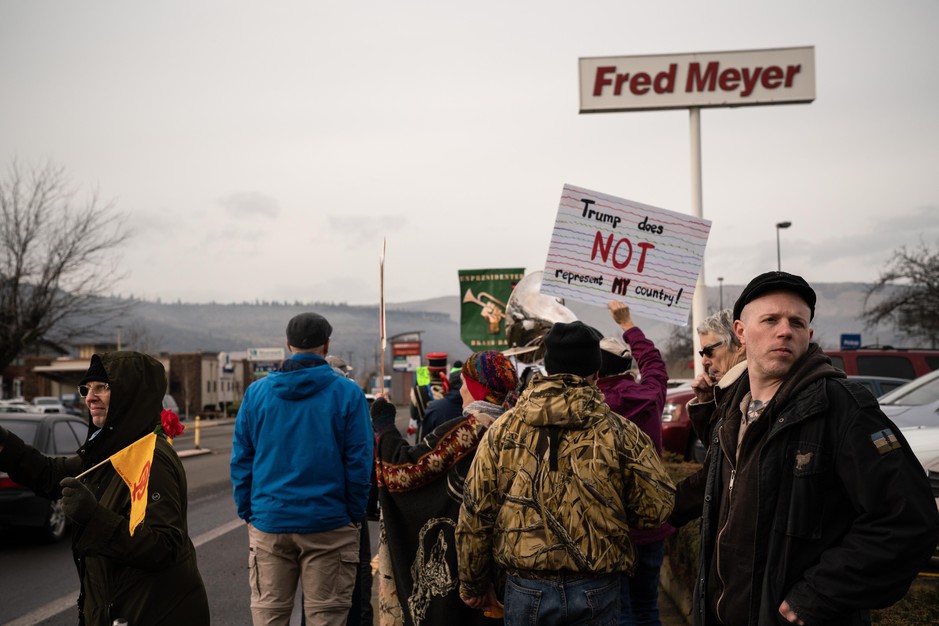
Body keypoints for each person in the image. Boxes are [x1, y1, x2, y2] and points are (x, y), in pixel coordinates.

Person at [693, 271, 939, 625]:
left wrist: (815, 597)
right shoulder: (732, 412)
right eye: (770, 319)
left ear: (808, 335)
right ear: (741, 333)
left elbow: (907, 521)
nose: (785, 330)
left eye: (796, 322)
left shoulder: (844, 408)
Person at [457, 321, 676, 625]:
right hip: (597, 587)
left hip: (526, 588)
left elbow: (475, 513)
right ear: (596, 374)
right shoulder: (620, 431)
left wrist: (473, 583)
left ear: (548, 368)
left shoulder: (503, 430)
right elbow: (656, 507)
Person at [0, 351, 210, 625]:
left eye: (103, 387)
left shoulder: (151, 457)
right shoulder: (111, 452)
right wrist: (5, 445)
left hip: (153, 613)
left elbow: (165, 546)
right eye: (86, 388)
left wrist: (94, 517)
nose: (89, 397)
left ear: (131, 394)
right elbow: (51, 475)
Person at [231, 312, 373, 626]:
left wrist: (249, 511)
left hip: (270, 523)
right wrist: (352, 514)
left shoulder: (257, 394)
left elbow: (242, 458)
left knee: (270, 618)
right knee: (327, 618)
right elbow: (359, 461)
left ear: (287, 344)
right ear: (327, 345)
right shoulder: (348, 394)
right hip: (330, 525)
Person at [371, 351, 518, 626]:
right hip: (511, 573)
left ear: (477, 388)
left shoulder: (468, 431)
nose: (461, 389)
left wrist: (385, 428)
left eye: (465, 382)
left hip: (462, 571)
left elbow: (403, 472)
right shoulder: (518, 430)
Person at [594, 302, 672, 626]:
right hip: (653, 525)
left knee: (620, 610)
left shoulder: (593, 408)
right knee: (647, 608)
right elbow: (654, 364)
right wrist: (627, 324)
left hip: (610, 524)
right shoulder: (650, 395)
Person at [668, 308, 747, 529]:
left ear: (740, 345)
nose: (704, 362)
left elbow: (715, 475)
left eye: (709, 352)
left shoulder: (747, 391)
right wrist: (705, 403)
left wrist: (664, 507)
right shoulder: (732, 390)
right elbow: (716, 448)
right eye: (702, 354)